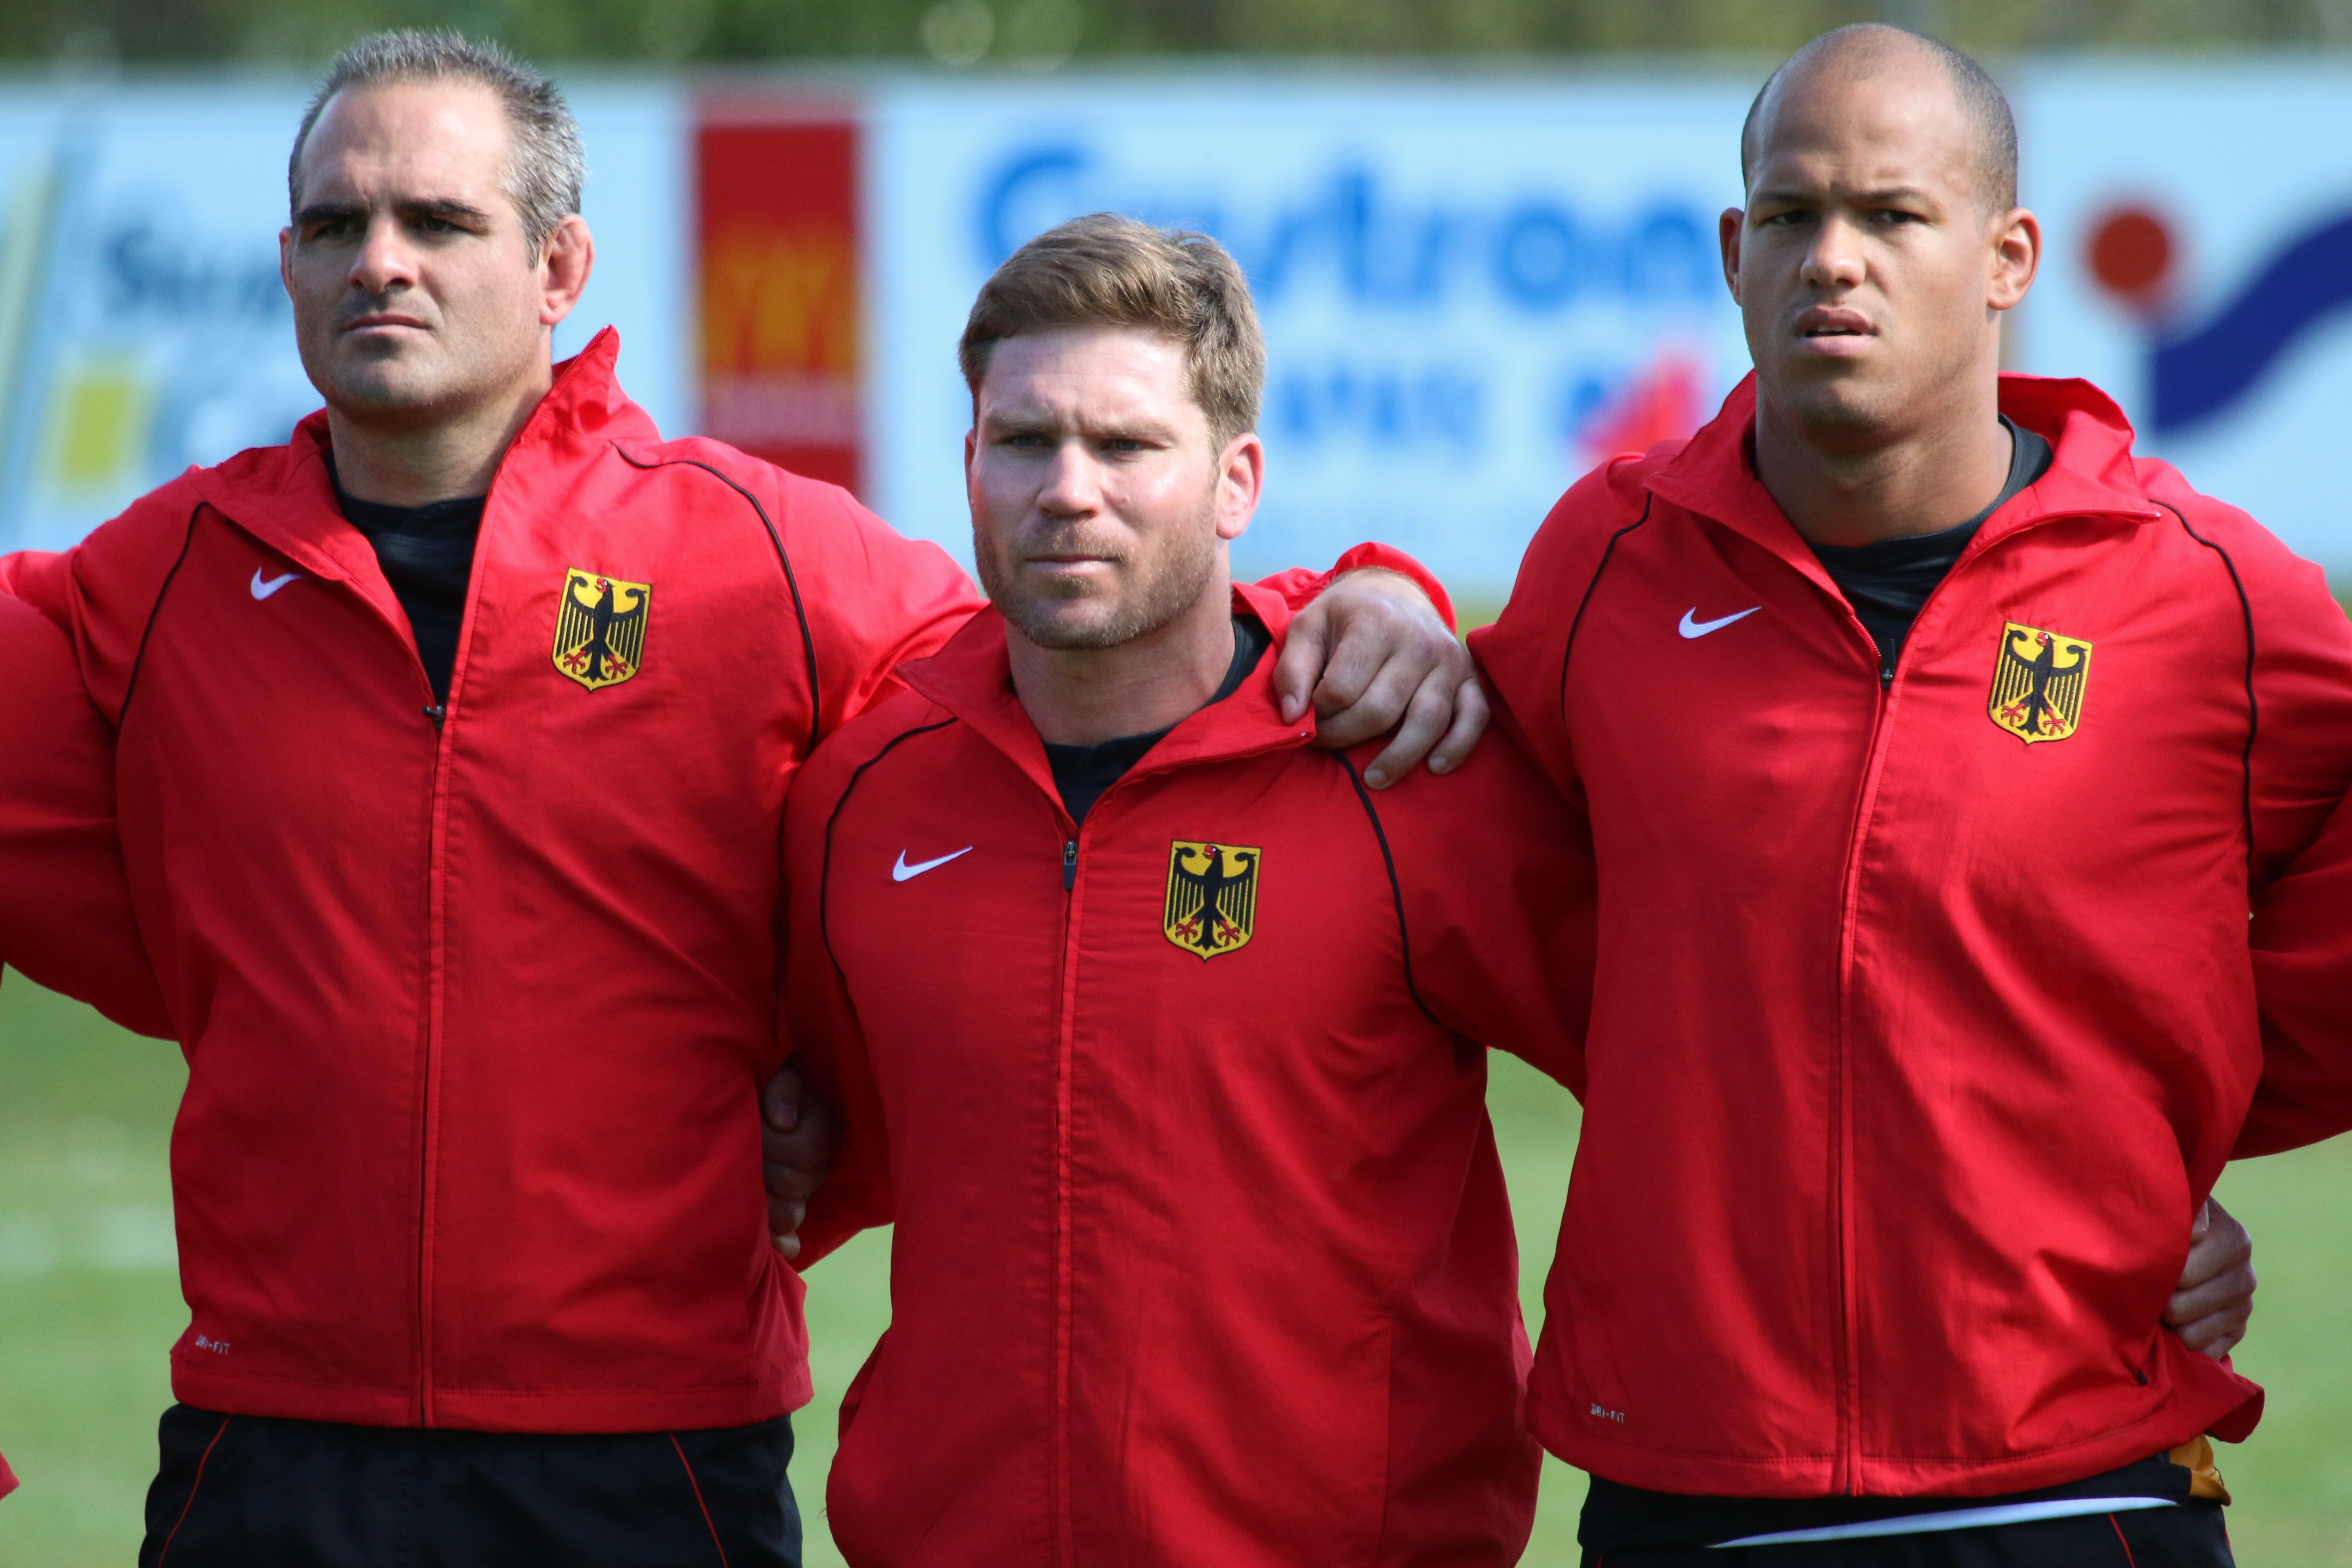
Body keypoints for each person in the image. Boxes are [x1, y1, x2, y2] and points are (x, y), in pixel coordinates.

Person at [0, 32, 1478, 1567]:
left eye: (437, 221)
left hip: (648, 1452)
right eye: (334, 225)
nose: (380, 261)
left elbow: (1081, 656)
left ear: (559, 267)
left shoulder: (758, 553)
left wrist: (1357, 595)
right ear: (287, 263)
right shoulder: (160, 575)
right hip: (270, 1437)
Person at [1468, 24, 2352, 1565]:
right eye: (1793, 215)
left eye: (1892, 214)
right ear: (1735, 254)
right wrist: (1369, 591)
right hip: (1696, 1485)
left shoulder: (2207, 596)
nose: (1835, 258)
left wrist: (2140, 1148)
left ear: (2008, 258)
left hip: (2075, 1489)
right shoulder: (1606, 564)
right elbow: (1454, 852)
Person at [781, 214, 1592, 1565]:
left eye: (1127, 446)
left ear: (1236, 481)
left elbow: (1672, 1092)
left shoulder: (1401, 761)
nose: (1068, 490)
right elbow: (821, 1140)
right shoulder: (864, 796)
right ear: (970, 463)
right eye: (1025, 441)